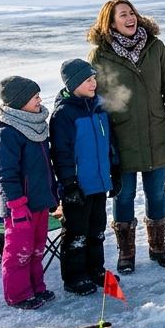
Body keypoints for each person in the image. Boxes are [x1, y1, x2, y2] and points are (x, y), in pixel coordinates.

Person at [87, 0, 165, 274]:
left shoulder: (155, 47)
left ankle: (158, 247)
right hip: (121, 137)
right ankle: (127, 252)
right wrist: (102, 141)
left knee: (156, 192)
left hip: (156, 131)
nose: (130, 18)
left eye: (131, 13)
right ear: (111, 23)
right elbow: (95, 97)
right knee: (124, 194)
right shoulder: (99, 55)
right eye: (122, 15)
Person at [0, 76, 57, 310]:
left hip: (39, 199)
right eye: (34, 96)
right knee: (20, 250)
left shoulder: (36, 124)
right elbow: (5, 173)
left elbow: (46, 167)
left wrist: (53, 193)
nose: (39, 99)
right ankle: (18, 294)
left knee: (37, 247)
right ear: (20, 102)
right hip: (19, 206)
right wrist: (16, 204)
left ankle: (36, 286)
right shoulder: (7, 131)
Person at [49, 59, 115, 296]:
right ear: (74, 83)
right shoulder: (64, 114)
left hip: (99, 182)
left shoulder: (99, 107)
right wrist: (69, 183)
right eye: (88, 80)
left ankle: (96, 269)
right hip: (78, 185)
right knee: (76, 232)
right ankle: (74, 277)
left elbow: (109, 145)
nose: (94, 83)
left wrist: (113, 173)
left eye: (94, 78)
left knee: (97, 228)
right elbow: (61, 153)